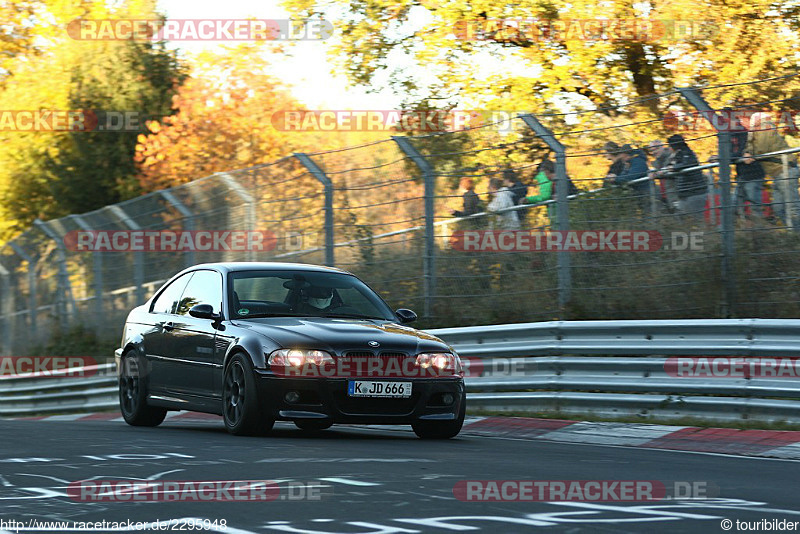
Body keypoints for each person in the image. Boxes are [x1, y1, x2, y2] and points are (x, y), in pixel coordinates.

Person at [745, 112, 800, 229]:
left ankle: (796, 236)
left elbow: (762, 148)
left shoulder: (766, 127)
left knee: (792, 208)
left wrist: (750, 155)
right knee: (778, 208)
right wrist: (746, 153)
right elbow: (750, 147)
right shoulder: (755, 134)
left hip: (785, 170)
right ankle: (793, 235)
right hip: (777, 174)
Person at [728, 108, 766, 220]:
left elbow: (742, 152)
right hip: (742, 176)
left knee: (754, 205)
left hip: (753, 174)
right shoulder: (731, 136)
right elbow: (733, 154)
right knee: (735, 206)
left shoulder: (744, 134)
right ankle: (740, 232)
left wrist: (727, 157)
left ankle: (760, 231)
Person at [664, 134, 708, 218]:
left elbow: (686, 164)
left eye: (670, 146)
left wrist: (673, 167)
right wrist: (660, 174)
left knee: (694, 219)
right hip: (686, 194)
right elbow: (671, 171)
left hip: (694, 193)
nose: (669, 148)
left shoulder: (687, 153)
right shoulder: (678, 155)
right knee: (682, 218)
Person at [612, 144, 652, 211]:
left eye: (622, 155)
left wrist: (615, 179)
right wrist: (615, 178)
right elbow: (624, 175)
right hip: (640, 194)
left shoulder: (638, 162)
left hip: (648, 193)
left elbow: (630, 177)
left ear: (626, 154)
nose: (621, 157)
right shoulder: (628, 163)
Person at [520, 159, 555, 224]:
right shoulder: (561, 174)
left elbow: (544, 196)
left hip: (556, 212)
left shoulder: (543, 177)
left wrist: (529, 200)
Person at [648, 140, 678, 212]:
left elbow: (671, 170)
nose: (654, 152)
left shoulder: (672, 156)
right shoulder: (657, 162)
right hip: (665, 196)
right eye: (652, 150)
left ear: (663, 147)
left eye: (657, 148)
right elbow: (657, 172)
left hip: (676, 193)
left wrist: (657, 174)